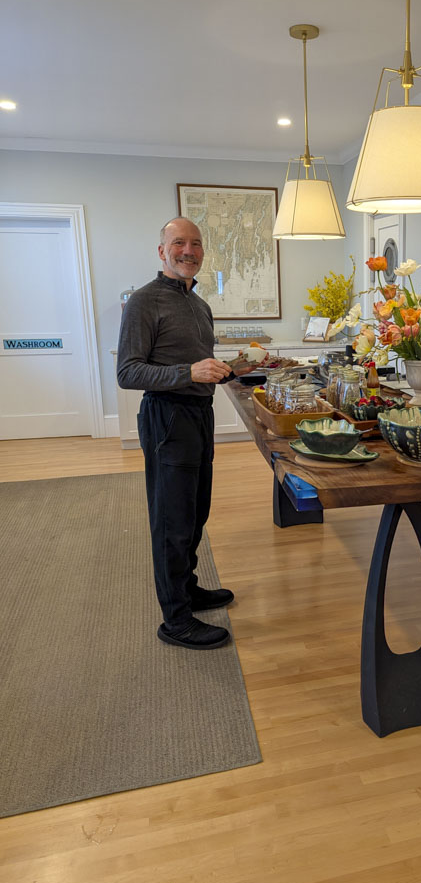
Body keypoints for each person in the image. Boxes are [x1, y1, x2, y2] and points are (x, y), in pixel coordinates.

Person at [117, 217, 256, 650]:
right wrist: (187, 371)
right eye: (179, 242)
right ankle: (175, 619)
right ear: (162, 251)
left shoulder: (200, 305)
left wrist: (235, 368)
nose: (188, 250)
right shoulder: (143, 302)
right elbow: (127, 372)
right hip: (167, 418)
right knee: (171, 520)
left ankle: (189, 589)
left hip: (199, 413)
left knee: (196, 512)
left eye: (196, 243)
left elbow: (201, 367)